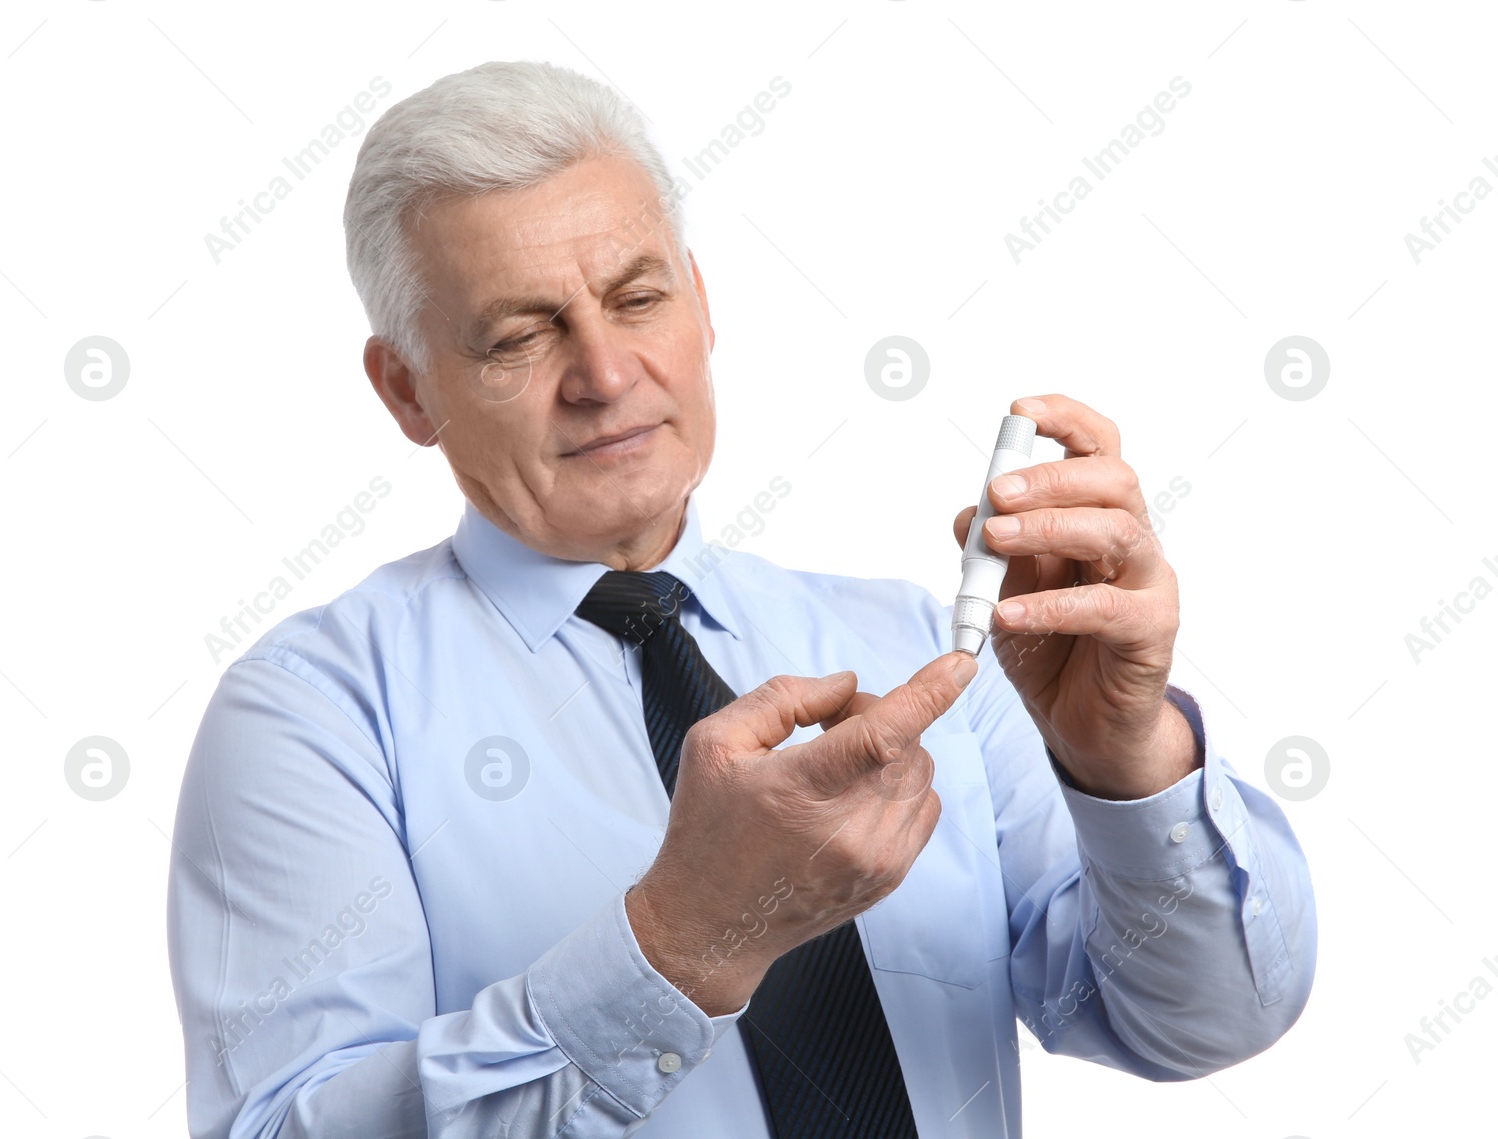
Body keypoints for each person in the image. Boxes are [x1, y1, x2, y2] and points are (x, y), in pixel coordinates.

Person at [166, 59, 1317, 1139]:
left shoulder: (917, 645)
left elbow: (1205, 1019)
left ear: (702, 306)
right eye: (521, 334)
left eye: (636, 297)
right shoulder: (309, 716)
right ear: (407, 387)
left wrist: (1127, 766)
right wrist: (676, 942)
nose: (606, 377)